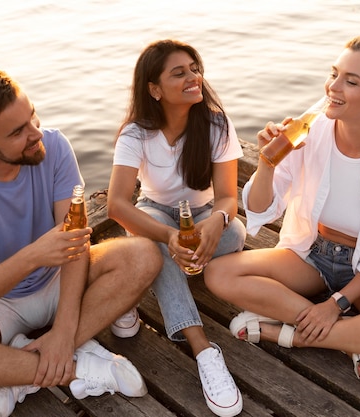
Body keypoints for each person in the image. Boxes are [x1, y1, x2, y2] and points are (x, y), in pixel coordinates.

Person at [0, 67, 163, 417]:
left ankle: (23, 365)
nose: (36, 133)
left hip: (62, 282)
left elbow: (76, 245)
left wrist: (64, 331)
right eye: (18, 131)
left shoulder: (54, 145)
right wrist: (32, 257)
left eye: (33, 115)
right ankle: (79, 366)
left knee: (142, 254)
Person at [204, 36, 360, 384]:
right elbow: (260, 209)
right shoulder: (309, 132)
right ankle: (357, 338)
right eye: (335, 74)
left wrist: (334, 305)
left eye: (351, 81)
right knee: (219, 273)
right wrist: (268, 162)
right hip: (312, 254)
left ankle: (289, 335)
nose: (333, 86)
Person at [107, 39, 246, 416]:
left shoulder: (216, 123)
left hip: (201, 213)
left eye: (194, 68)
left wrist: (218, 219)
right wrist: (169, 236)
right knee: (157, 243)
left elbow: (228, 198)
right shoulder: (135, 134)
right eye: (179, 73)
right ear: (154, 89)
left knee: (234, 234)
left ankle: (142, 278)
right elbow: (117, 204)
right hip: (155, 212)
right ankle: (203, 348)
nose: (193, 77)